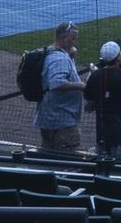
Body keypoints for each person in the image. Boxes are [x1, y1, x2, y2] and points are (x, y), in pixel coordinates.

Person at [34, 23, 88, 154]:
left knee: (49, 157)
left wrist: (72, 57)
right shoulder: (59, 58)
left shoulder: (50, 52)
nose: (75, 42)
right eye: (73, 39)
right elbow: (57, 83)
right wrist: (83, 86)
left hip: (49, 118)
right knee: (67, 163)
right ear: (64, 38)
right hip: (61, 121)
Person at [88, 40, 121, 160]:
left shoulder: (95, 76)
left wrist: (92, 76)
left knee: (103, 163)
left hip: (102, 131)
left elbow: (88, 100)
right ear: (118, 58)